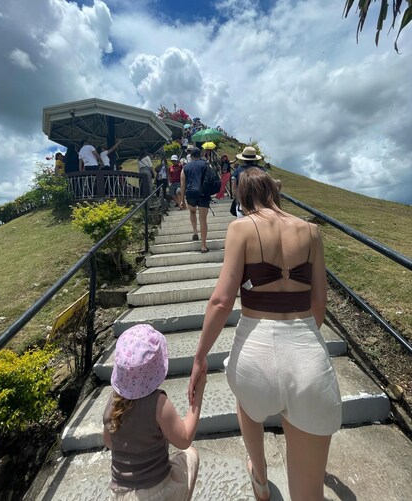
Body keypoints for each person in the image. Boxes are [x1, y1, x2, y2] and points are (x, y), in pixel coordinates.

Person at [189, 167, 341, 501]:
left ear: (242, 198)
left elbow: (222, 301)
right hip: (307, 359)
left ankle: (259, 477)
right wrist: (300, 340)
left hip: (254, 357)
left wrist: (199, 358)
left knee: (247, 403)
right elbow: (319, 304)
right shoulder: (312, 231)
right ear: (275, 192)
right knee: (309, 494)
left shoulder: (241, 228)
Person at [103, 324, 206, 501]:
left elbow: (108, 441)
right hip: (157, 492)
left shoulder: (113, 401)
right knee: (191, 454)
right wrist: (199, 393)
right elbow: (184, 439)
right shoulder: (158, 403)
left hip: (120, 494)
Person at [179, 147, 210, 253]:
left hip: (191, 192)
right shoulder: (205, 164)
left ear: (191, 156)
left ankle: (195, 232)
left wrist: (182, 200)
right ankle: (203, 246)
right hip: (203, 193)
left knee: (192, 212)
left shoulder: (185, 167)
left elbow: (182, 184)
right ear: (200, 155)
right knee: (203, 219)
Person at [231, 146, 264, 217]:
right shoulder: (262, 170)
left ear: (243, 159)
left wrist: (236, 197)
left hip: (243, 203)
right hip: (259, 204)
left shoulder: (239, 170)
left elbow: (234, 187)